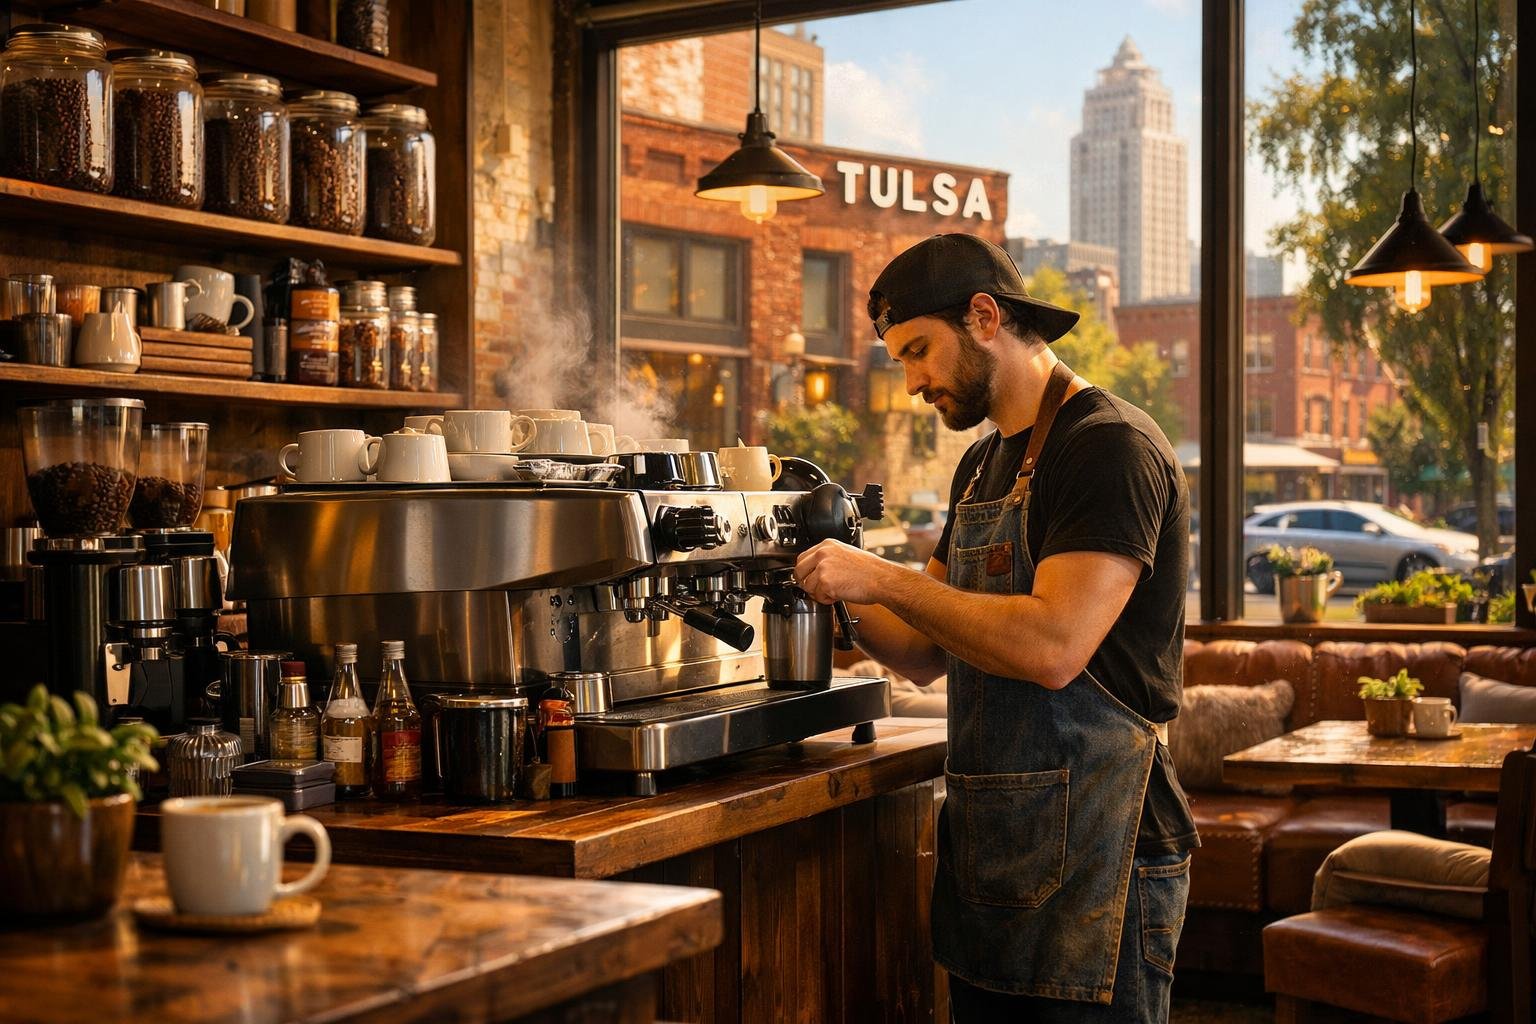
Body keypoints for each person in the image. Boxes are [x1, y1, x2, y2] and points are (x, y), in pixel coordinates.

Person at [795, 233, 1198, 1022]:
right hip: (995, 852)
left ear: (984, 316)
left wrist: (878, 575)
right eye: (900, 361)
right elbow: (920, 652)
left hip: (1102, 853)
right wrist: (831, 591)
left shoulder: (1107, 447)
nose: (912, 382)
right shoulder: (981, 466)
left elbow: (1053, 647)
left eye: (918, 352)